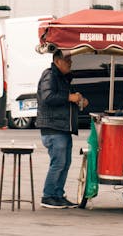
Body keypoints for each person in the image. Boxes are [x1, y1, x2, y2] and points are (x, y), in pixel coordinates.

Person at [37, 50, 88, 208]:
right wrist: (69, 97)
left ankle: (58, 195)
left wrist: (79, 100)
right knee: (58, 163)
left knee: (65, 163)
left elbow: (65, 100)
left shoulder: (63, 78)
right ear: (57, 61)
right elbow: (47, 97)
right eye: (67, 60)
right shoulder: (50, 75)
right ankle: (48, 196)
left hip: (63, 128)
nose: (70, 63)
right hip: (53, 128)